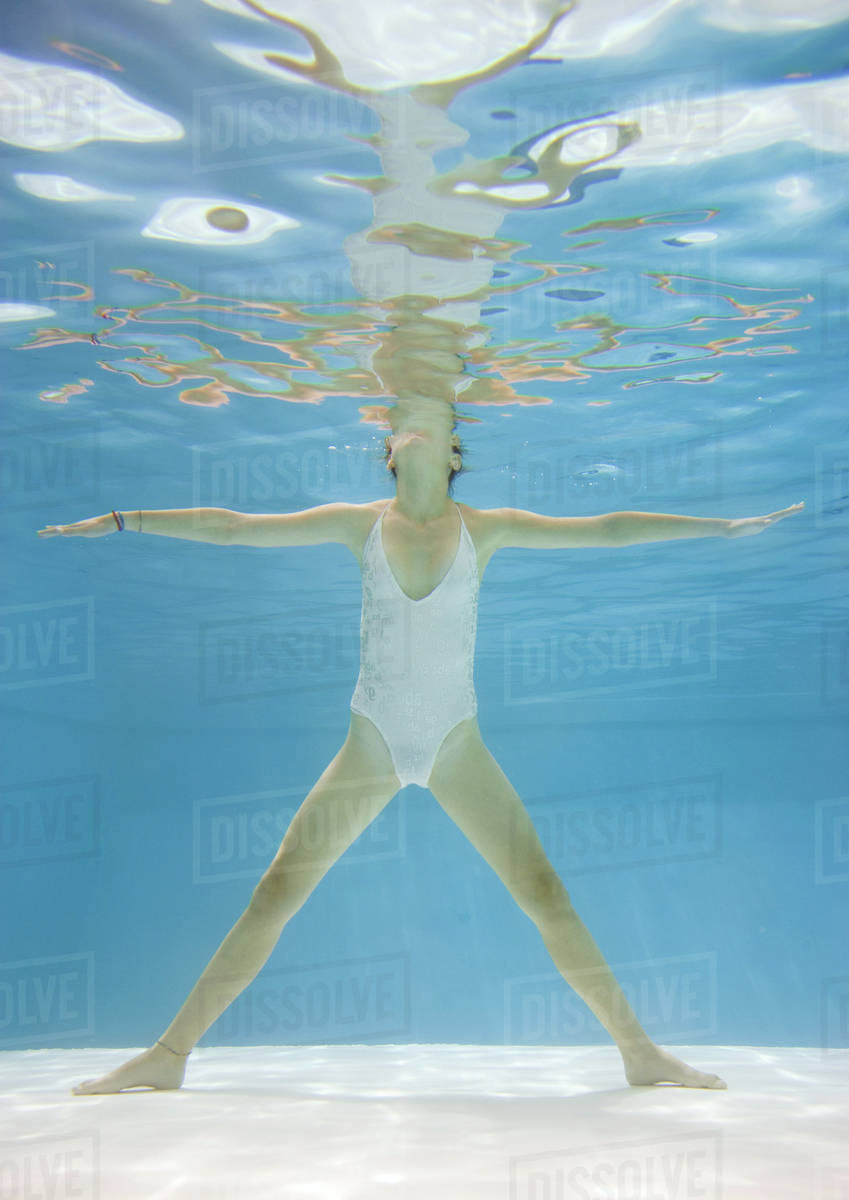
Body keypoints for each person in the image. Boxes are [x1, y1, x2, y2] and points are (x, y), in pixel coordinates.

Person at [38, 417, 804, 1093]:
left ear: (451, 446)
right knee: (275, 891)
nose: (411, 421)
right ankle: (169, 1053)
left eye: (426, 414)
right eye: (399, 417)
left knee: (544, 892)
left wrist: (721, 527)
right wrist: (123, 518)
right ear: (391, 448)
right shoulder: (355, 522)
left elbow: (606, 529)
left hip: (454, 742)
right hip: (371, 738)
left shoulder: (490, 526)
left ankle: (640, 1054)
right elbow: (236, 526)